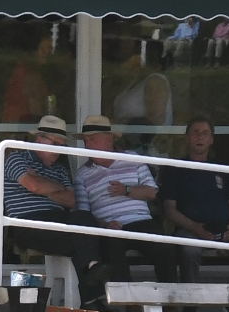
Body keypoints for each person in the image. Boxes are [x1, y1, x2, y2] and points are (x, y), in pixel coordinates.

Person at [156, 116, 229, 312]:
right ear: (187, 137)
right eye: (195, 132)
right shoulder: (174, 168)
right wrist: (194, 227)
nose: (200, 137)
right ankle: (191, 308)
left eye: (205, 133)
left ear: (212, 139)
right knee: (189, 251)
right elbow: (169, 209)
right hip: (190, 230)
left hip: (225, 230)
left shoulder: (222, 168)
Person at [1, 114, 103, 299]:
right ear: (39, 139)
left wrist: (44, 188)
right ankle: (92, 292)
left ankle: (93, 281)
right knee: (85, 240)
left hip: (58, 221)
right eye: (54, 144)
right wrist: (54, 188)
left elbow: (71, 200)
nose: (57, 150)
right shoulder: (17, 158)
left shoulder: (60, 169)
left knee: (85, 222)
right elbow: (34, 185)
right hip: (28, 223)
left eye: (61, 145)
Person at [75, 114, 175, 287]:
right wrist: (104, 225)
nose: (87, 144)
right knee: (111, 249)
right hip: (110, 227)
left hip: (140, 221)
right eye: (85, 140)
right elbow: (83, 213)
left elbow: (152, 192)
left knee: (164, 247)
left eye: (92, 139)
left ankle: (171, 297)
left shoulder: (132, 158)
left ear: (109, 140)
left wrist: (127, 190)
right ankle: (126, 300)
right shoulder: (82, 174)